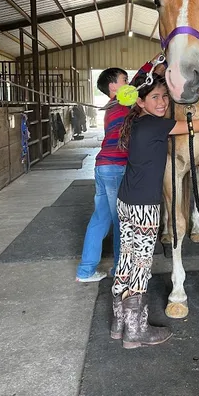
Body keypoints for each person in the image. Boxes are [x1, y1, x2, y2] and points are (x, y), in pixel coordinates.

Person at [110, 73, 199, 348]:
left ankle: (119, 323)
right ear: (141, 102)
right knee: (140, 265)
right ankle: (136, 332)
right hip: (144, 209)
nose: (162, 102)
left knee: (126, 259)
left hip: (125, 202)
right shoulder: (159, 127)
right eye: (155, 98)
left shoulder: (138, 123)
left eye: (165, 97)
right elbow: (198, 124)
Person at [75, 62, 153, 283]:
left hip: (102, 167)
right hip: (116, 168)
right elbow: (140, 80)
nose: (129, 83)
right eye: (124, 80)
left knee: (100, 218)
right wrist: (151, 64)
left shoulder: (112, 106)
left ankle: (86, 270)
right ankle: (121, 269)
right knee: (121, 220)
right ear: (113, 87)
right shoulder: (122, 100)